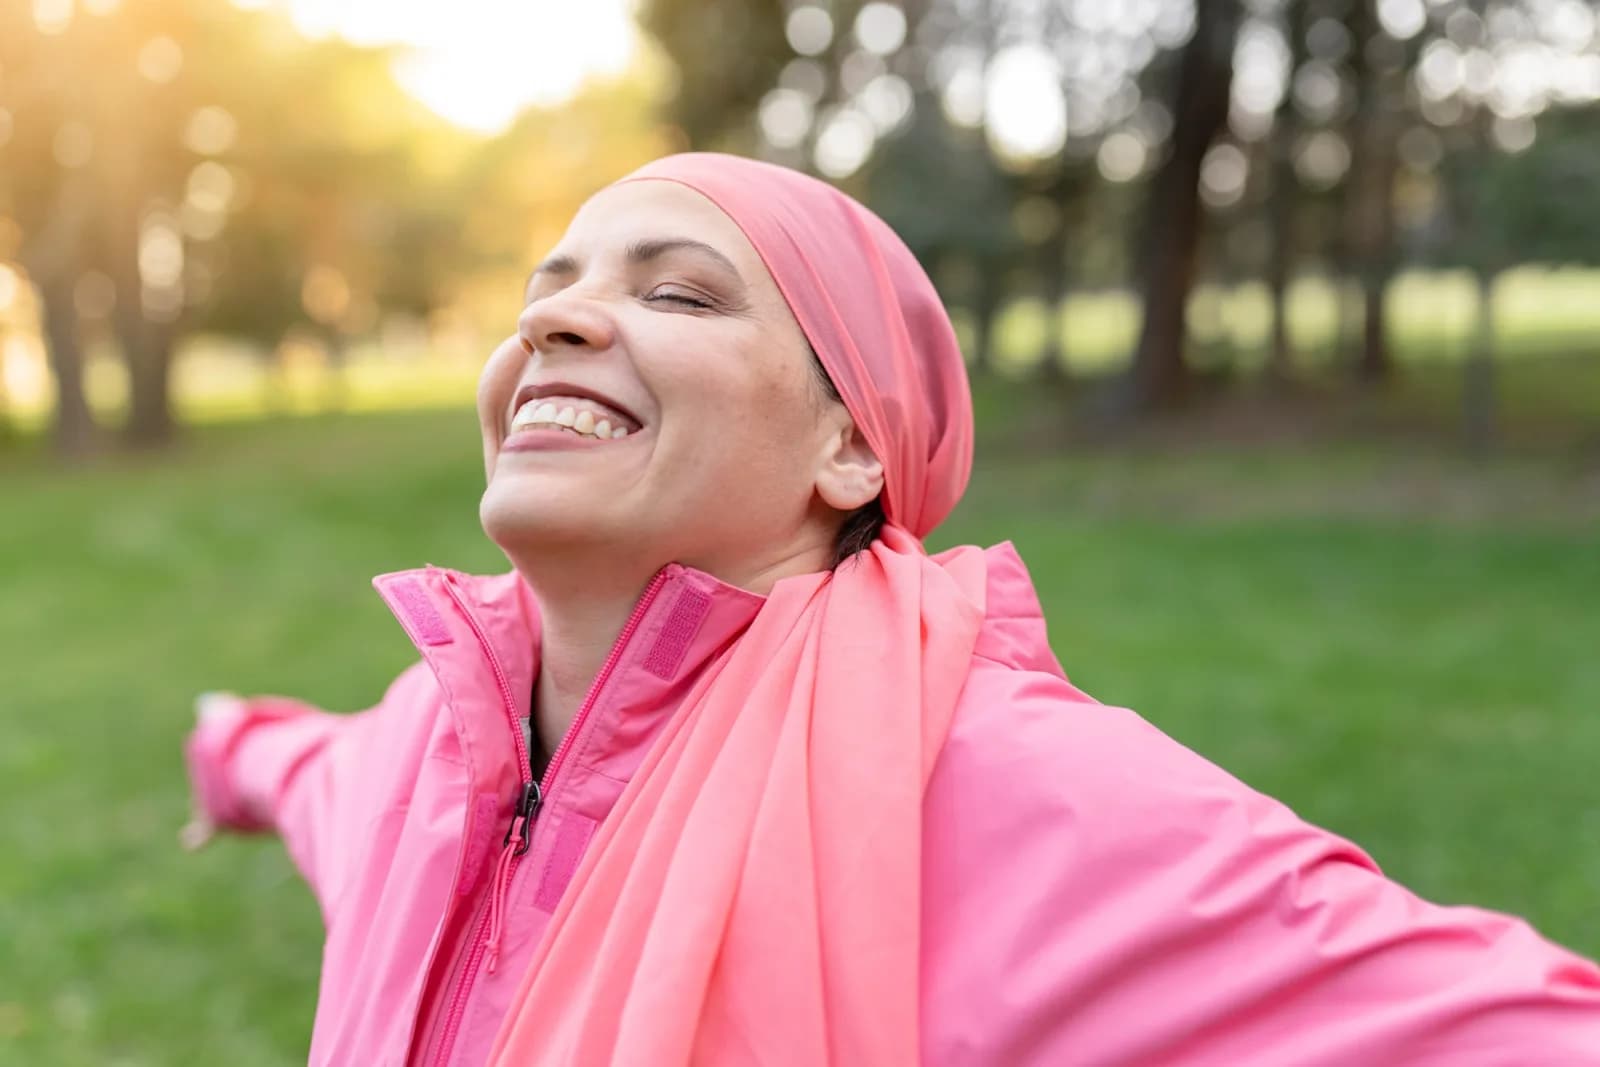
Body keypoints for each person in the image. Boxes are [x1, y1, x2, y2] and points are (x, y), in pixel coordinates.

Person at [183, 152, 1600, 1066]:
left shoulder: (983, 785)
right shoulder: (428, 747)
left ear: (851, 445)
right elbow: (304, 770)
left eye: (678, 290)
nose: (555, 320)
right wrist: (230, 748)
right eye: (546, 290)